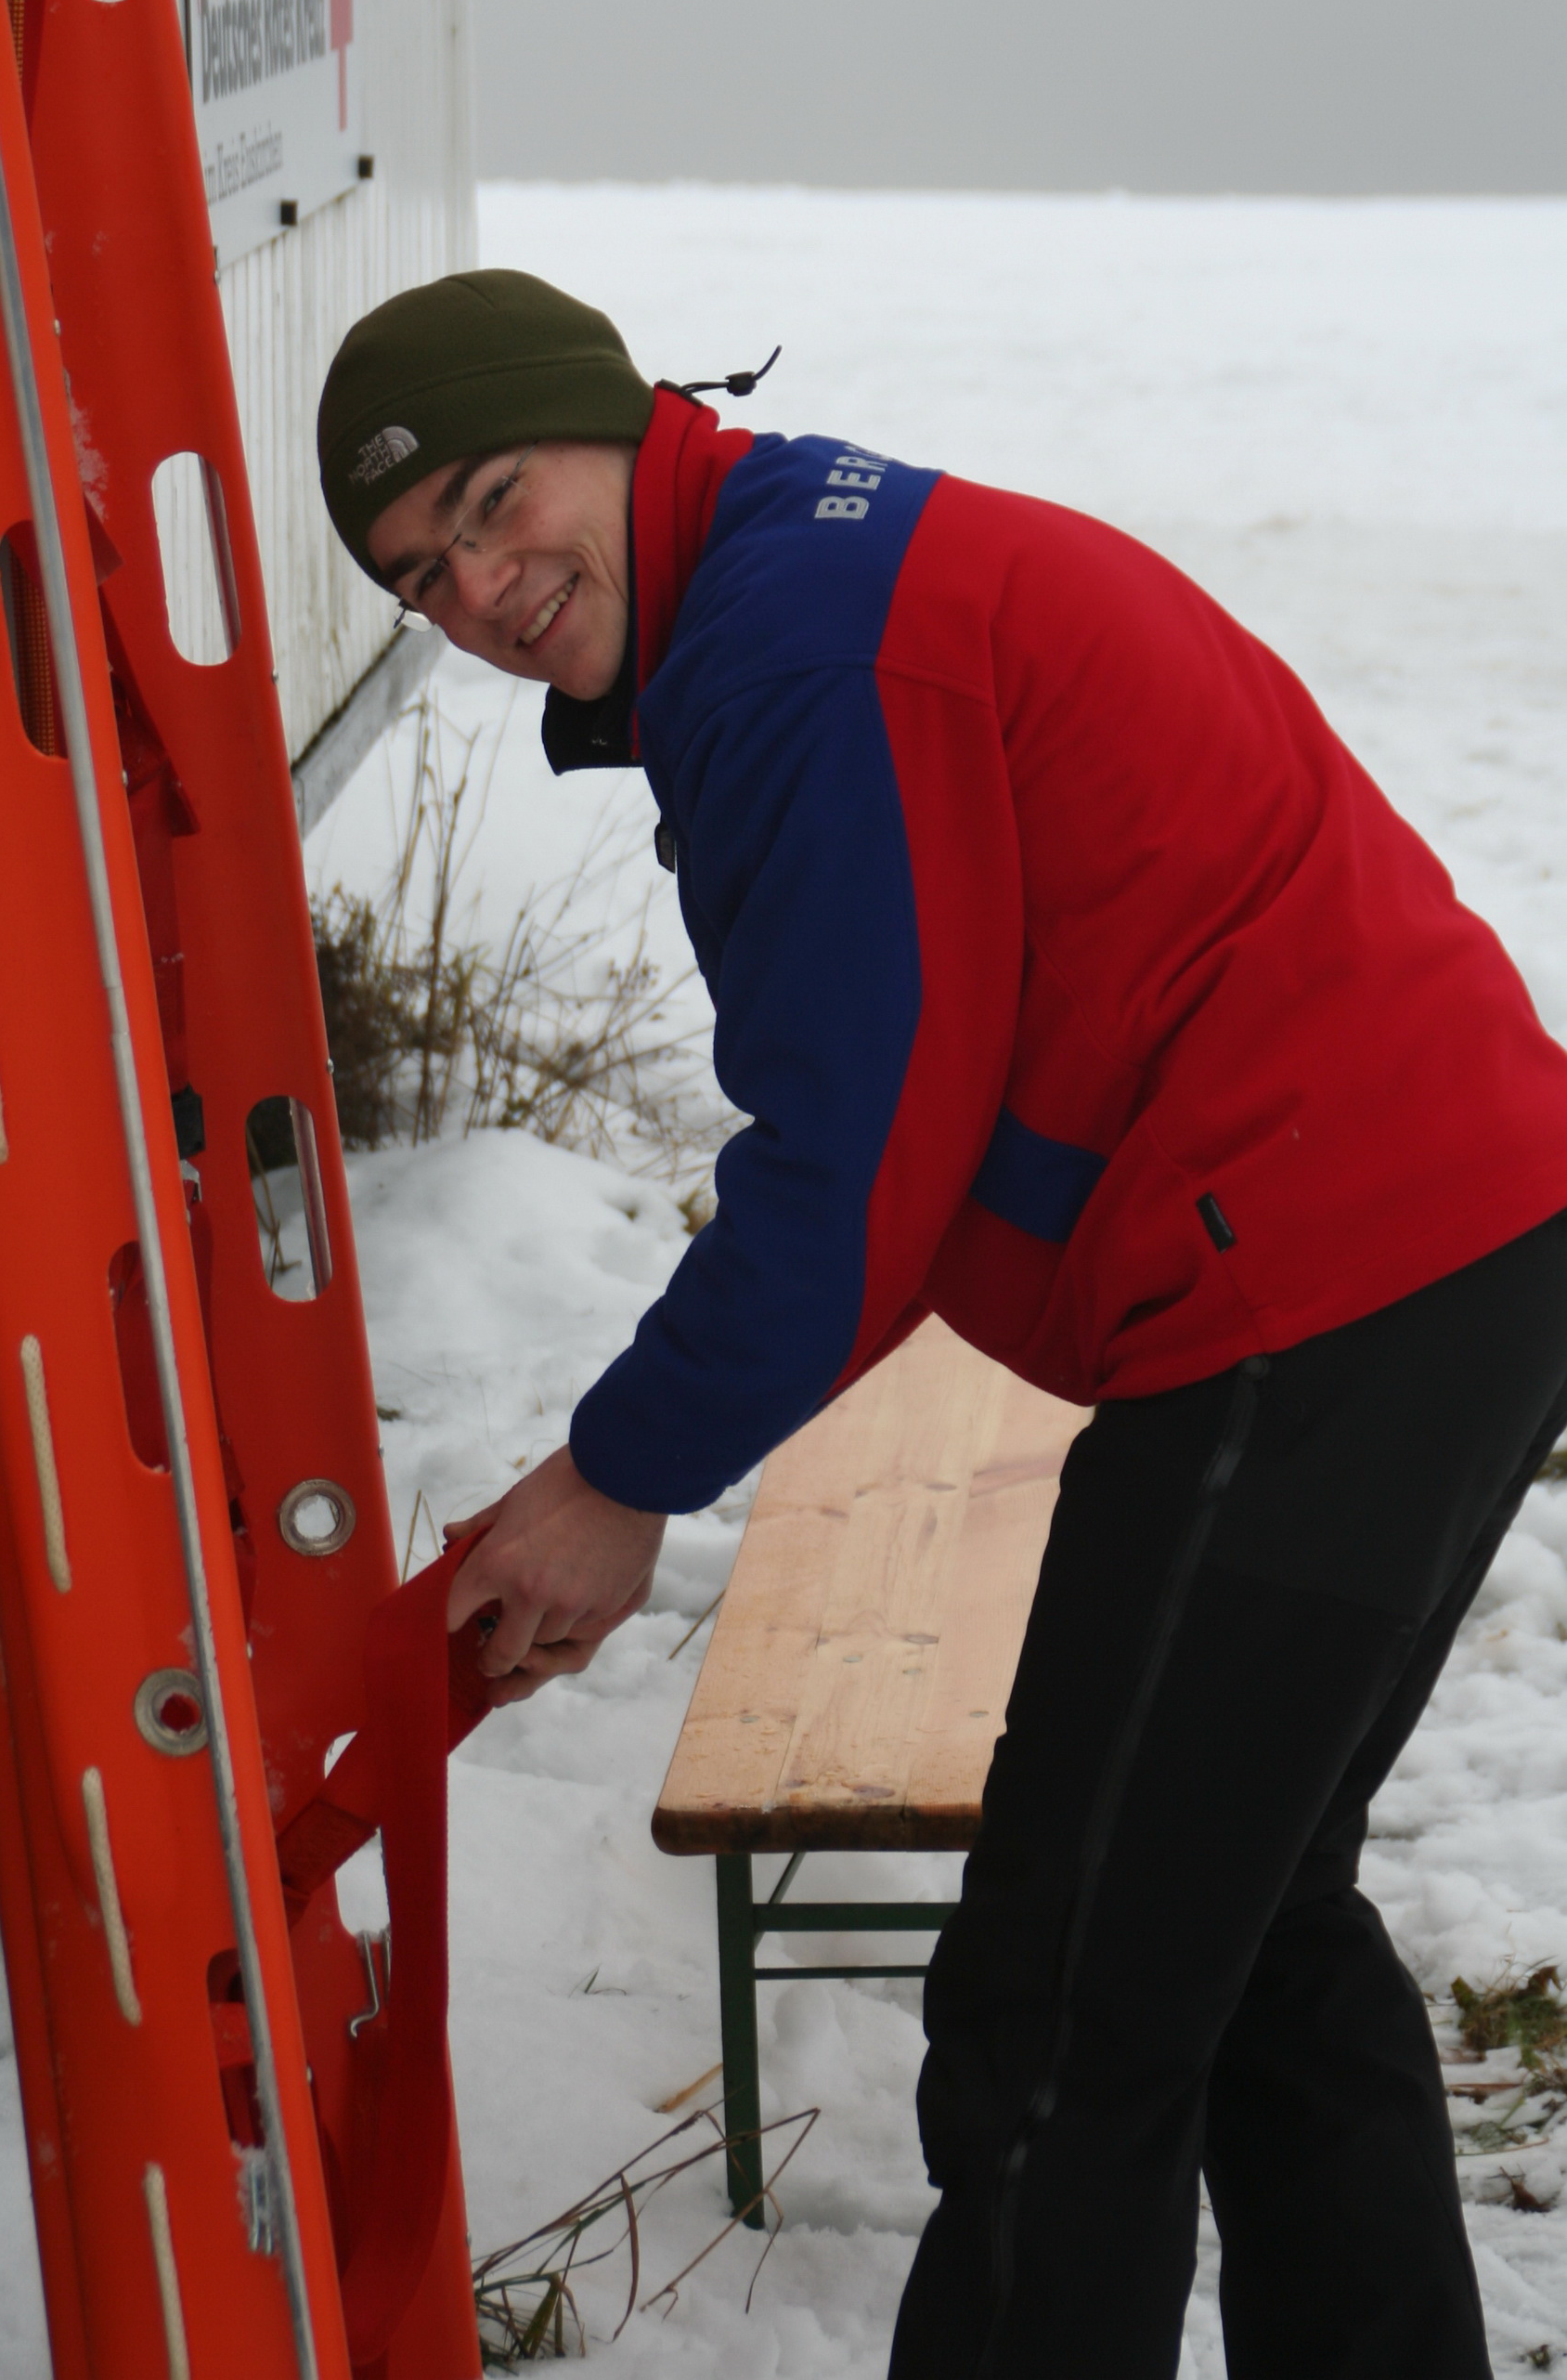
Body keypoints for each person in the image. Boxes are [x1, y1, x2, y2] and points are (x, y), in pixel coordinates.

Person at [317, 269, 1567, 2379]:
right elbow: (915, 1109)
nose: (482, 587)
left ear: (613, 416)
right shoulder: (793, 570)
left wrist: (617, 1474)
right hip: (1433, 1239)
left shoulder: (797, 649)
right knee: (1245, 1927)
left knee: (1058, 2005)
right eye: (421, 572)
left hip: (1316, 1278)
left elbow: (860, 1147)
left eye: (495, 499)